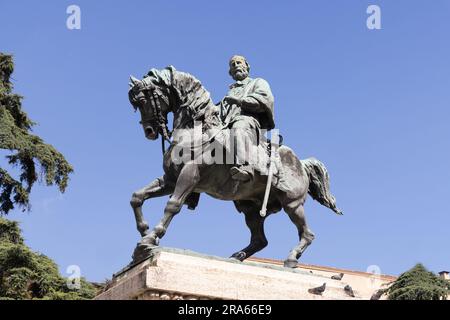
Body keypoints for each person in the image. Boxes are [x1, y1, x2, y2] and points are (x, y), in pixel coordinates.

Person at [220, 55, 275, 182]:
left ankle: (245, 166)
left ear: (247, 66)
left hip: (249, 121)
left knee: (238, 127)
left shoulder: (258, 82)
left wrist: (239, 101)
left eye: (239, 62)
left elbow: (265, 100)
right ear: (230, 72)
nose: (236, 65)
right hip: (226, 124)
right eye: (232, 65)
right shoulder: (230, 92)